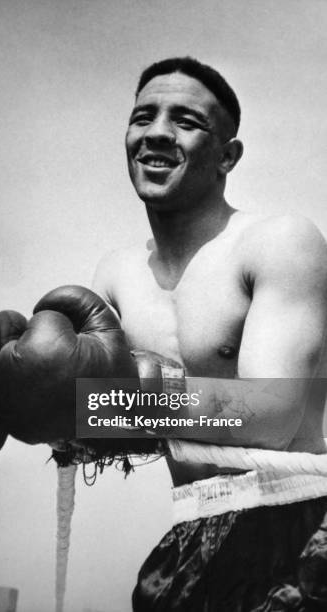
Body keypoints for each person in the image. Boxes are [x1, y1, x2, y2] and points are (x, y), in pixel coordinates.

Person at [90, 57, 327, 611]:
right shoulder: (115, 275)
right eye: (143, 116)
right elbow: (86, 421)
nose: (156, 133)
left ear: (227, 155)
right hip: (190, 534)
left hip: (300, 529)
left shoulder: (279, 241)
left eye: (186, 121)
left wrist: (112, 401)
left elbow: (271, 415)